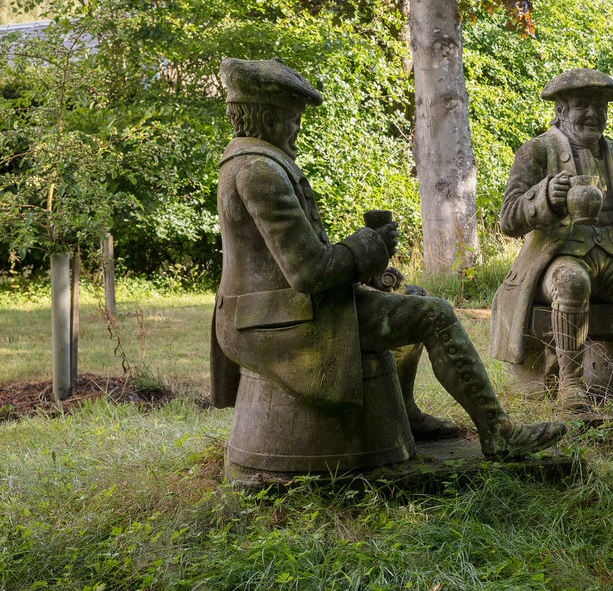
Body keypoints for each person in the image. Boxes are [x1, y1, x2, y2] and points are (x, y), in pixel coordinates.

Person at [209, 57, 564, 459]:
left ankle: (405, 412)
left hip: (273, 309)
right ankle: (499, 434)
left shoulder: (249, 161)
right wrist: (368, 247)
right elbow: (307, 271)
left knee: (412, 294)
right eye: (293, 118)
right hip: (276, 321)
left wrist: (365, 259)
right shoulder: (260, 171)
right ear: (269, 118)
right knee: (435, 313)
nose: (298, 127)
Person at [489, 69, 613, 410]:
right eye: (582, 105)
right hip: (560, 257)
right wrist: (545, 196)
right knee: (571, 280)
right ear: (561, 110)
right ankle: (571, 384)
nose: (593, 114)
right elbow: (508, 218)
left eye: (600, 107)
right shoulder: (536, 151)